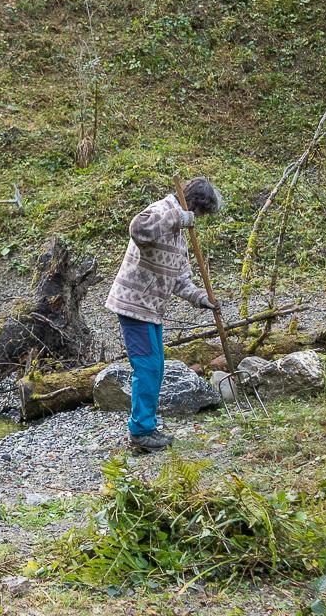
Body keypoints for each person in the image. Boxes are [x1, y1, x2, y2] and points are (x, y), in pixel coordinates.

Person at [104, 177, 223, 452]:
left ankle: (146, 426)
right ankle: (141, 431)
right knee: (147, 367)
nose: (199, 218)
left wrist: (202, 299)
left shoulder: (180, 234)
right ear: (194, 205)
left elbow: (181, 280)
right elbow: (138, 229)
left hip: (151, 309)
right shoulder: (162, 210)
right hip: (133, 305)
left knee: (155, 367)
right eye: (201, 213)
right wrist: (176, 217)